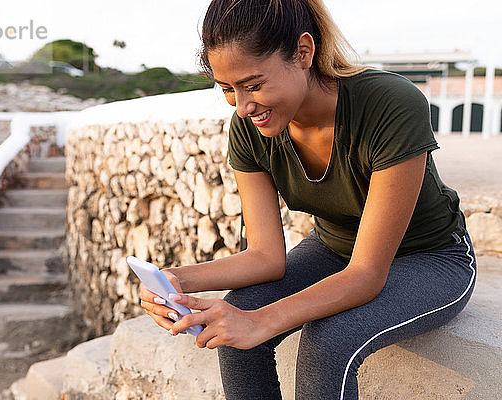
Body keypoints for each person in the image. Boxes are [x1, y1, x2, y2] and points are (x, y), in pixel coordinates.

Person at [138, 0, 477, 398]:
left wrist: (262, 321)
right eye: (228, 89)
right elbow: (265, 256)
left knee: (328, 339)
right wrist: (176, 280)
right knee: (236, 321)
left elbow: (366, 274)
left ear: (303, 52)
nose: (244, 107)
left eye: (253, 84)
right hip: (334, 249)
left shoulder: (390, 104)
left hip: (431, 257)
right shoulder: (249, 130)